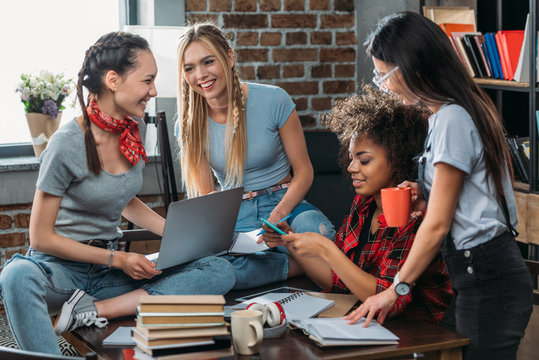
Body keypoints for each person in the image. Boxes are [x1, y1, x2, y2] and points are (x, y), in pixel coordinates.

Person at [0, 31, 235, 355]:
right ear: (113, 80)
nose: (153, 91)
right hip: (61, 271)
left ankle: (100, 309)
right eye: (147, 81)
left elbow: (122, 197)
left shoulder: (132, 129)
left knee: (218, 267)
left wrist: (179, 235)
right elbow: (40, 238)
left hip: (108, 277)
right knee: (15, 275)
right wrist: (119, 258)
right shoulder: (66, 144)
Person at [345, 12, 533, 360]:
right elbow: (469, 201)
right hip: (478, 273)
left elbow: (437, 226)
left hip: (489, 276)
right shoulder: (453, 112)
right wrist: (424, 195)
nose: (382, 85)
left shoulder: (451, 119)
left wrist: (394, 290)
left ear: (414, 68)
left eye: (384, 74)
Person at [270, 84, 453, 324]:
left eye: (364, 160)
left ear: (397, 158)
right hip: (371, 324)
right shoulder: (364, 204)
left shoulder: (413, 214)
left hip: (420, 331)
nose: (351, 167)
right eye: (351, 158)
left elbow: (389, 299)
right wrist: (292, 243)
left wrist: (327, 249)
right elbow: (340, 281)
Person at [175, 22, 335, 289]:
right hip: (235, 213)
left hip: (286, 204)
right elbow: (208, 196)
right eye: (189, 68)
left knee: (313, 228)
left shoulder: (274, 100)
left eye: (208, 62)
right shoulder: (189, 124)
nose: (200, 74)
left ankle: (286, 259)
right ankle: (295, 266)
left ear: (229, 57)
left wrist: (278, 215)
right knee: (216, 270)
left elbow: (304, 171)